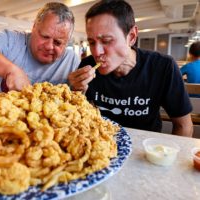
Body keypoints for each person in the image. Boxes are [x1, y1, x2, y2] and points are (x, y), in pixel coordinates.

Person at [68, 0, 193, 137]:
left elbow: (183, 125)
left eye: (107, 41)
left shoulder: (162, 66)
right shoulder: (87, 66)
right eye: (91, 42)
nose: (96, 52)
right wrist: (74, 94)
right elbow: (77, 121)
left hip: (145, 148)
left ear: (132, 37)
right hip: (102, 146)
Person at [0, 2, 79, 94]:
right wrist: (10, 70)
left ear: (67, 42)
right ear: (34, 27)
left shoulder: (72, 60)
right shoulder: (12, 41)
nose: (49, 46)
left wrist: (79, 87)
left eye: (58, 42)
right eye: (44, 36)